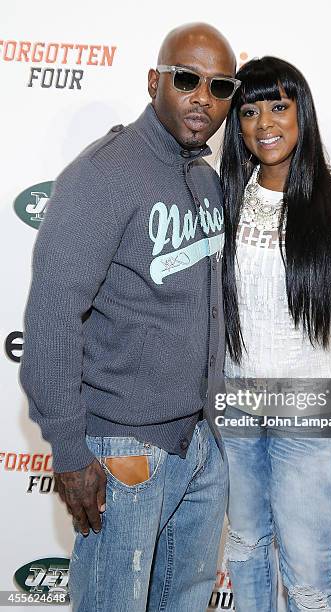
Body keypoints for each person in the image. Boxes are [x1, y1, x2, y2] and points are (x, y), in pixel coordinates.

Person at [19, 23, 239, 612]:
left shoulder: (206, 177)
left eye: (220, 87)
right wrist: (69, 450)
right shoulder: (104, 173)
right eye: (186, 79)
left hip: (199, 446)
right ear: (154, 81)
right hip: (124, 450)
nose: (202, 98)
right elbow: (53, 314)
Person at [219, 57, 331, 612]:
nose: (263, 123)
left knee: (309, 577)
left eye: (278, 105)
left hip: (316, 417)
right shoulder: (224, 200)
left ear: (303, 112)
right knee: (246, 548)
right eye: (248, 110)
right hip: (238, 410)